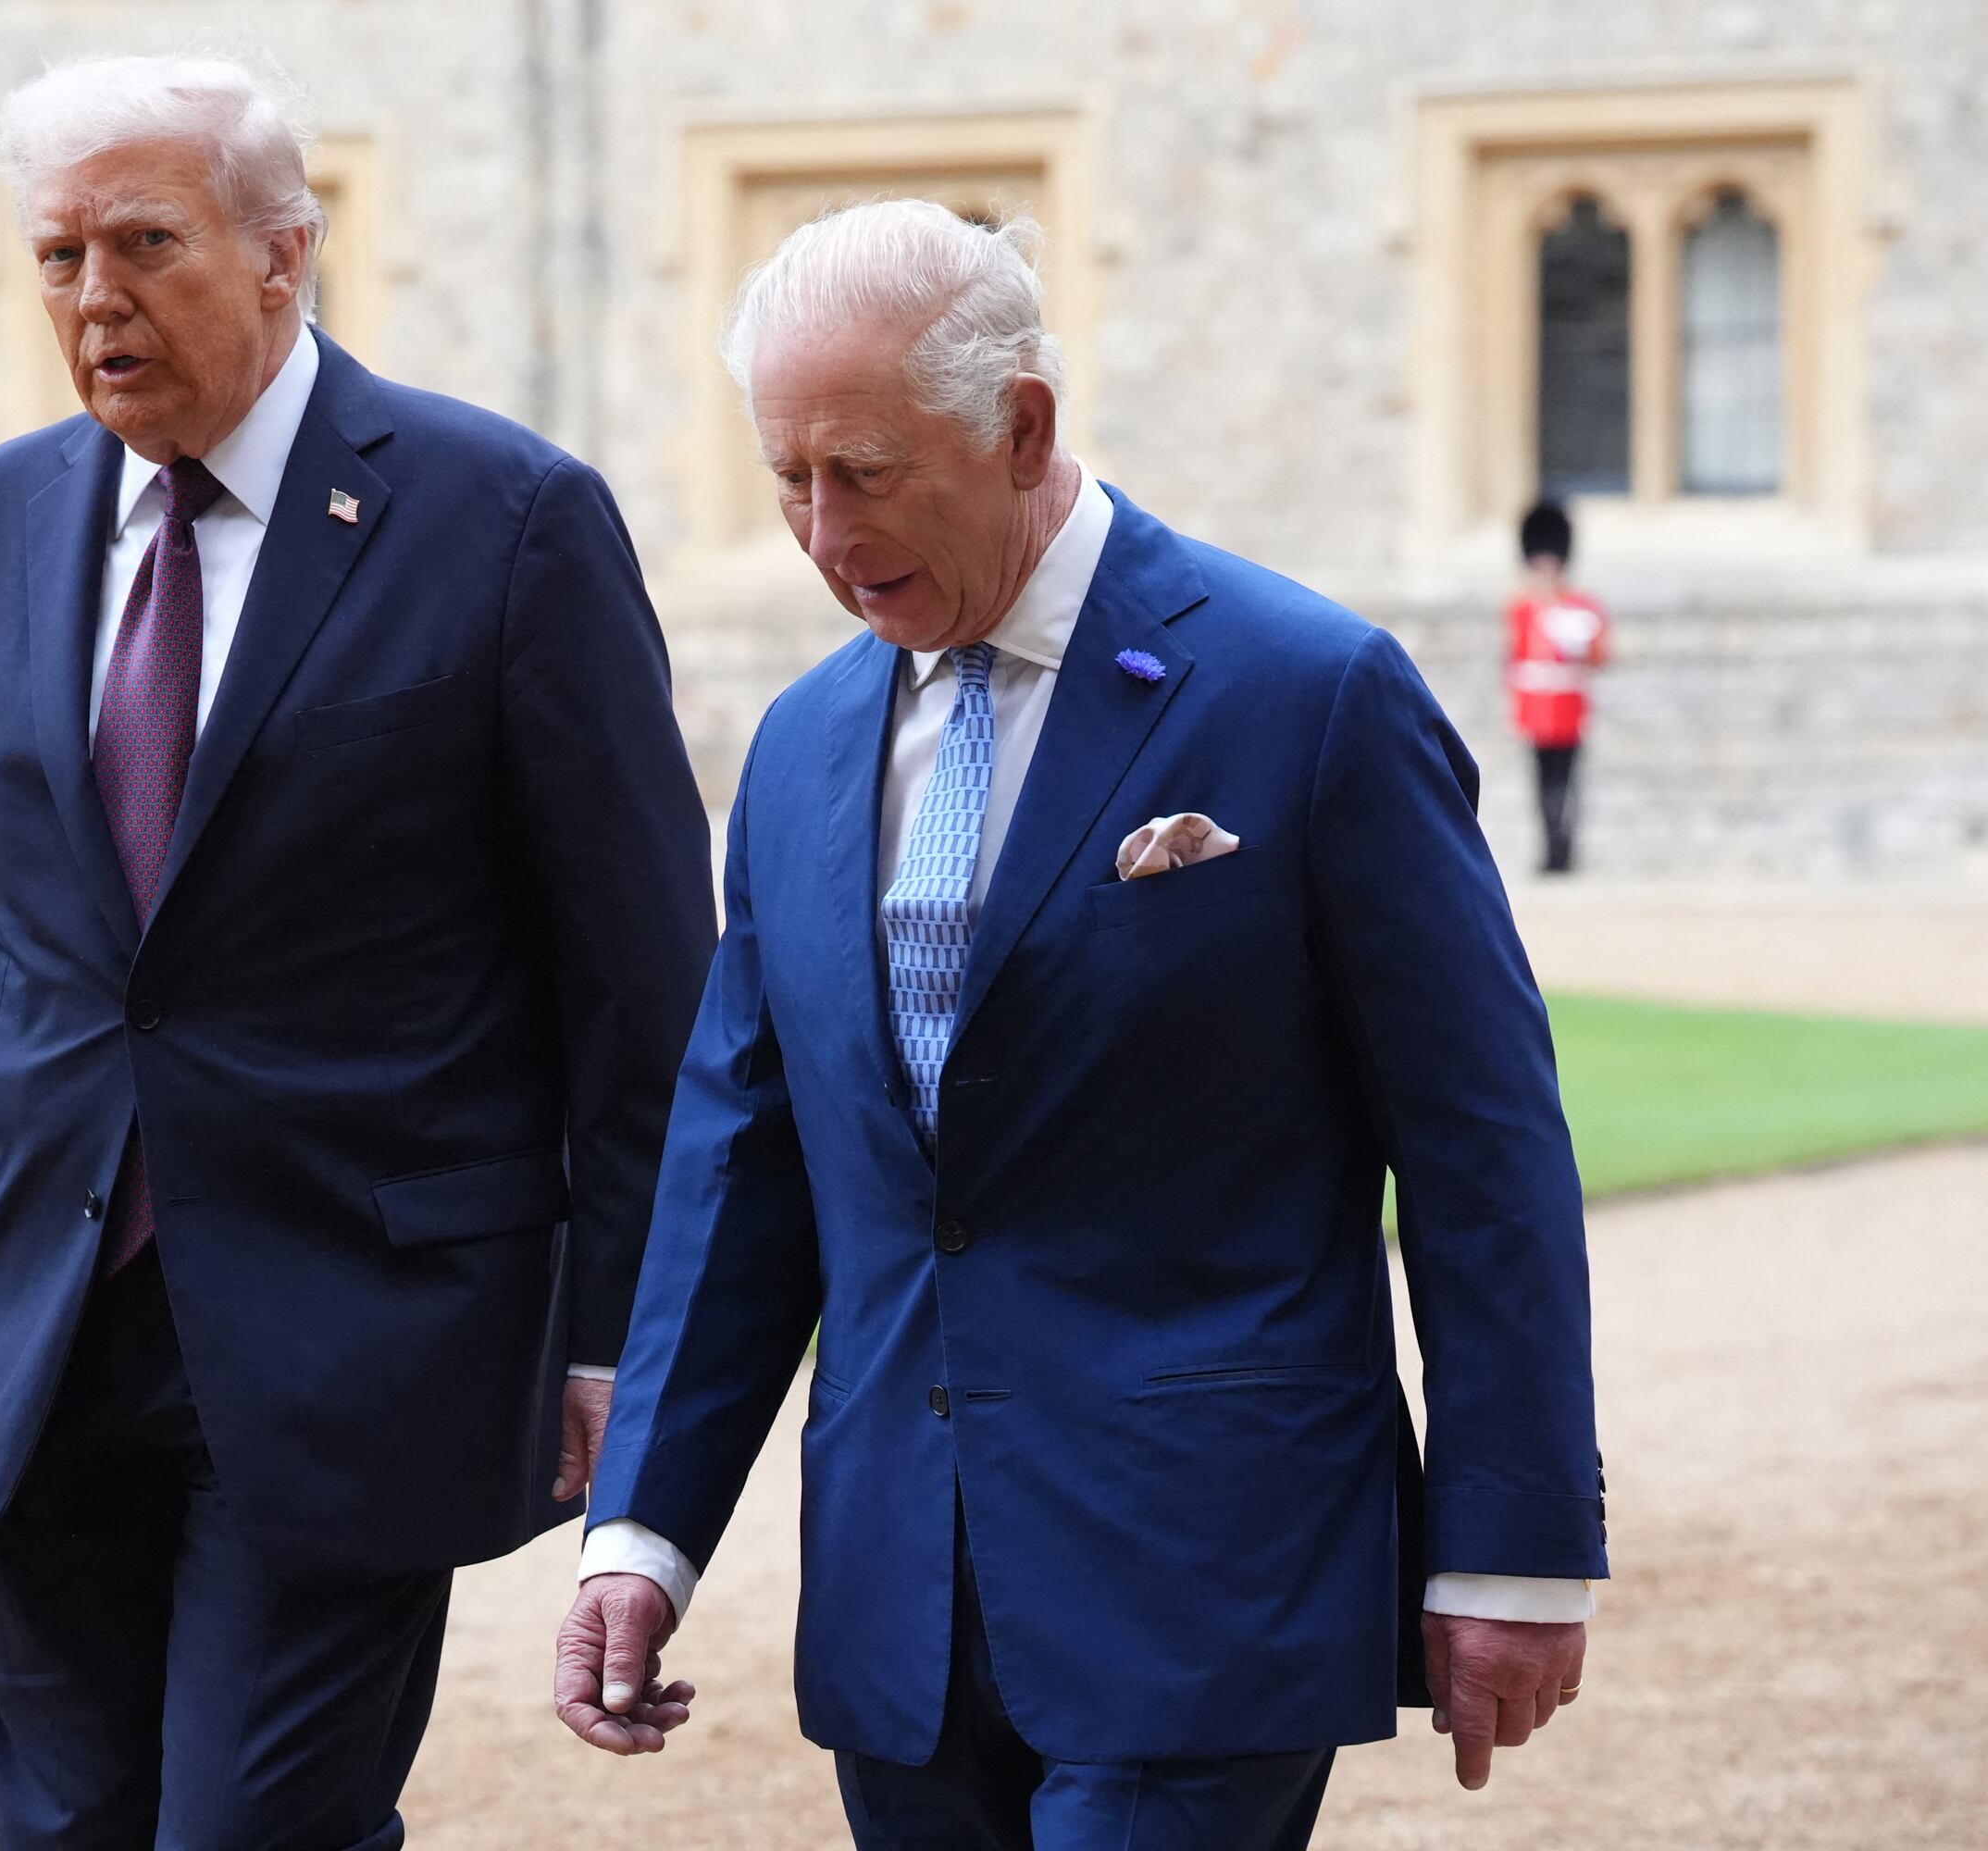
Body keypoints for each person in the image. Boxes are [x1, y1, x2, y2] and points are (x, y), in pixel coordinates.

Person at [552, 201, 1607, 1849]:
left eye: (866, 474)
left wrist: (1515, 1546)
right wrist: (645, 1535)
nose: (822, 535)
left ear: (1023, 424)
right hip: (900, 1607)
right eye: (787, 481)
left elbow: (1482, 1150)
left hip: (1209, 1579)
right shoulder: (801, 748)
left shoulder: (1308, 693)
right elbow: (739, 1166)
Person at [0, 55, 714, 1849]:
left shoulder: (508, 523)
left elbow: (641, 987)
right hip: (35, 1335)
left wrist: (623, 1338)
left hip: (351, 1336)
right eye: (57, 254)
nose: (92, 297)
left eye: (143, 242)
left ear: (288, 253)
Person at [1507, 500, 1610, 874]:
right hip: (1537, 708)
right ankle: (1549, 848)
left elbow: (1600, 655)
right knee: (1542, 785)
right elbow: (1516, 659)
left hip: (1568, 707)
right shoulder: (1522, 608)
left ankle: (1564, 850)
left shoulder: (1582, 606)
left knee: (1566, 784)